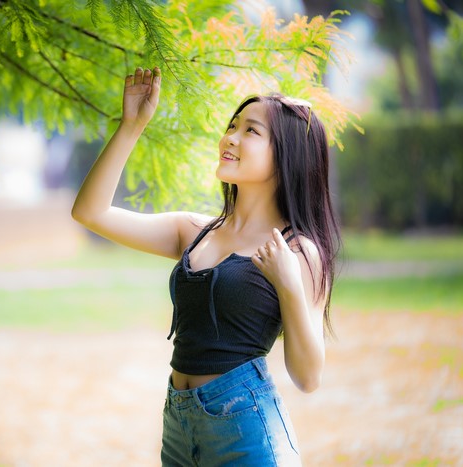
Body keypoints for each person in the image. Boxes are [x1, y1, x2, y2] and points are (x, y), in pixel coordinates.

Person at [71, 66, 340, 466]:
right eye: (232, 126)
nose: (229, 138)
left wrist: (289, 286)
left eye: (250, 131)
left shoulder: (297, 251)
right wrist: (131, 126)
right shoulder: (193, 230)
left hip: (244, 431)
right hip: (179, 426)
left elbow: (308, 377)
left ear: (287, 156)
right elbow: (90, 212)